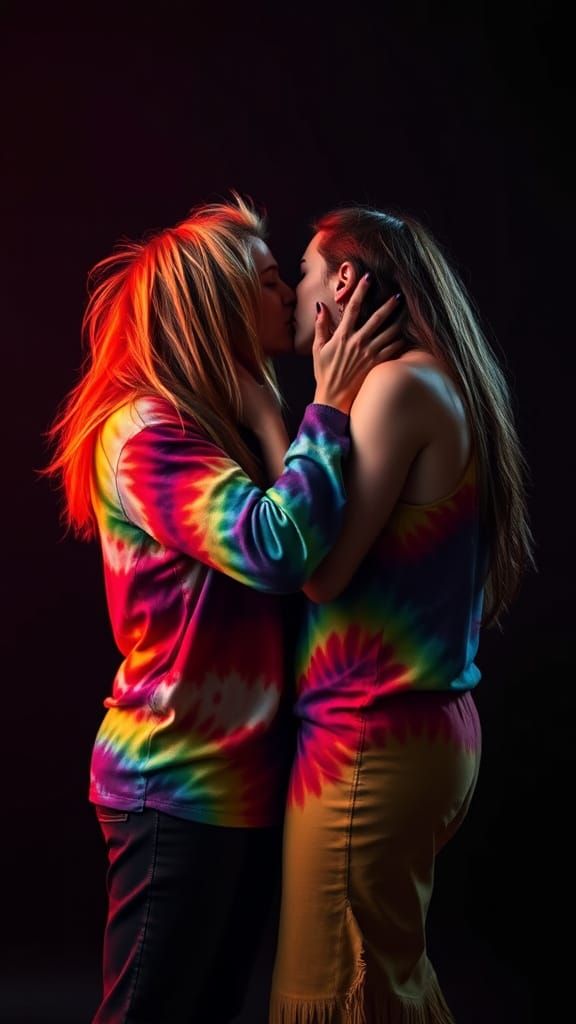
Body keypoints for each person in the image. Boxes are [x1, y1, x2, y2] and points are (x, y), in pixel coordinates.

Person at [45, 195, 403, 1024]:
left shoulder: (216, 427)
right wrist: (322, 407)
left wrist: (278, 419)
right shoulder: (145, 431)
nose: (292, 296)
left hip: (237, 783)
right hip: (175, 783)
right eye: (272, 280)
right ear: (216, 303)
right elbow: (279, 550)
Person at [261, 206, 535, 1023]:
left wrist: (320, 402)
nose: (291, 296)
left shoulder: (395, 386)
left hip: (370, 746)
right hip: (411, 736)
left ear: (341, 283)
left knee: (339, 994)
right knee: (384, 980)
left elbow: (317, 569)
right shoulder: (439, 376)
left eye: (301, 276)